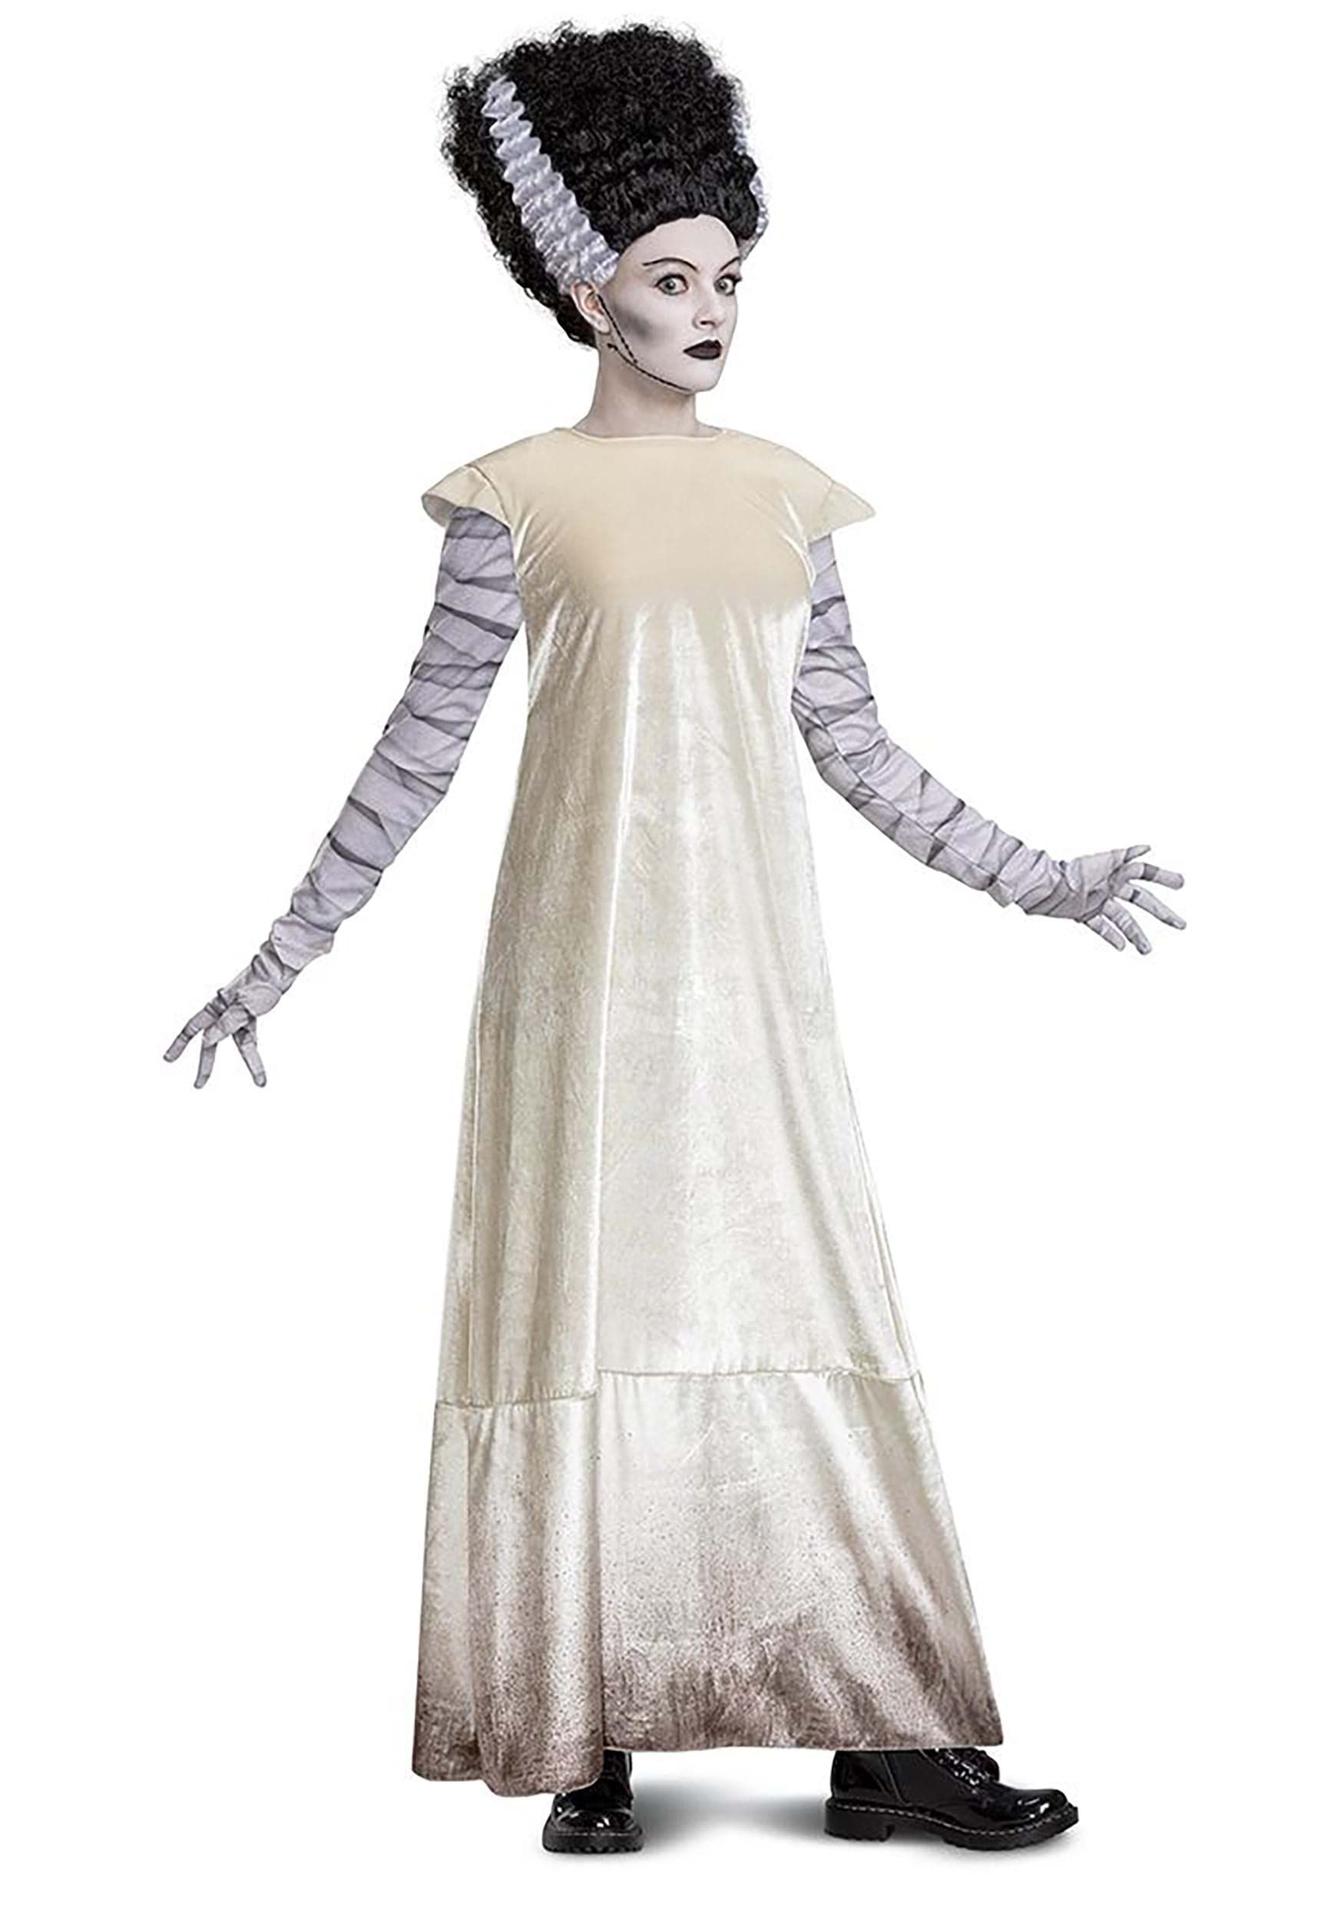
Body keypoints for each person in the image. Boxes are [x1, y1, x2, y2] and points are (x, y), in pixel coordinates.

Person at [164, 22, 1186, 1856]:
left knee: (813, 1307)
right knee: (582, 1314)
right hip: (574, 989)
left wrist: (1045, 877)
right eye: (673, 278)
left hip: (755, 992)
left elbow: (856, 743)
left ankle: (890, 1740)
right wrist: (280, 956)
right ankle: (588, 1730)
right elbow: (417, 751)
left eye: (730, 278)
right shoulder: (514, 498)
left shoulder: (788, 492)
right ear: (590, 290)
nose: (713, 310)